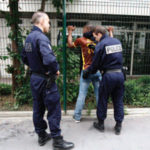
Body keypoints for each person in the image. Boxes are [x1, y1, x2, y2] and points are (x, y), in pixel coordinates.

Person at [21, 11, 74, 149]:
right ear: (41, 21)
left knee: (38, 108)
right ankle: (57, 140)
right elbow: (49, 59)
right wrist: (55, 69)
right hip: (46, 80)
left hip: (35, 79)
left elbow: (24, 58)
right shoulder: (41, 38)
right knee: (54, 109)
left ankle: (42, 135)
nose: (49, 25)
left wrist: (35, 66)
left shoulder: (29, 38)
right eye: (48, 22)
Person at [67, 25, 113, 123]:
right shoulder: (99, 42)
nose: (82, 30)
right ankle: (100, 116)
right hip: (97, 71)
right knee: (99, 94)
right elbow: (110, 42)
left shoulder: (81, 40)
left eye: (83, 29)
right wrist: (110, 32)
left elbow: (70, 44)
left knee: (82, 94)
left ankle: (77, 116)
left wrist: (70, 31)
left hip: (86, 71)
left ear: (87, 31)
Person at [84, 26, 125, 135]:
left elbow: (95, 64)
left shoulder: (101, 45)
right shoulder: (117, 41)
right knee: (118, 100)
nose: (95, 39)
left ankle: (101, 124)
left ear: (99, 34)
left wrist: (88, 72)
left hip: (108, 76)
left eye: (95, 36)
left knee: (103, 99)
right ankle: (118, 125)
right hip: (120, 74)